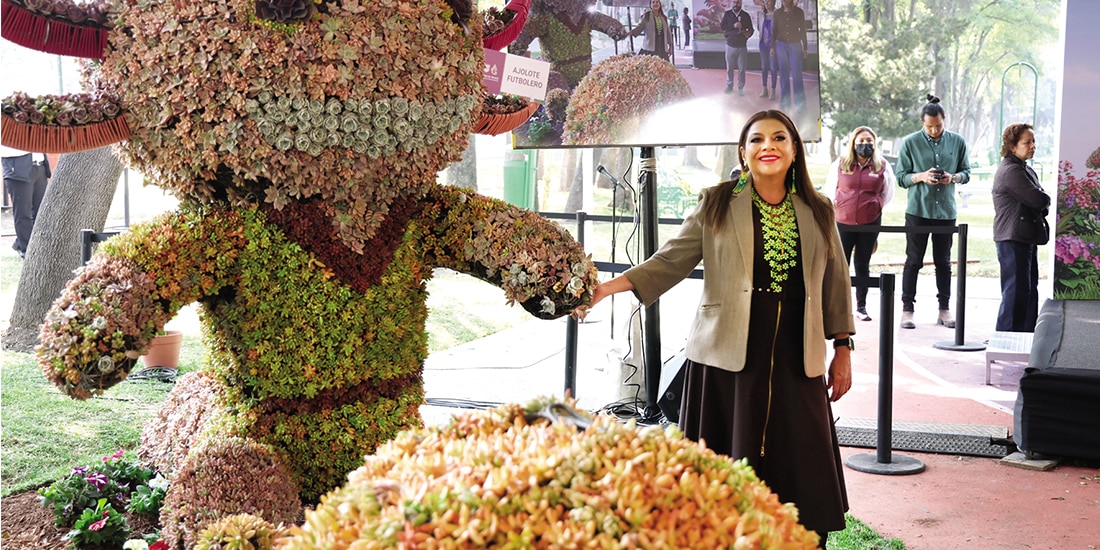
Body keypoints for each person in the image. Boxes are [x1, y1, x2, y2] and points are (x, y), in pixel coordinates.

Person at [578, 110, 853, 548]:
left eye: (780, 138)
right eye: (757, 139)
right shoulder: (717, 202)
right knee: (725, 463)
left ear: (795, 149)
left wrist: (843, 347)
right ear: (743, 153)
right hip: (726, 356)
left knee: (800, 457)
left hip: (796, 358)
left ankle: (801, 539)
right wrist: (606, 288)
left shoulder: (819, 209)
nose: (769, 146)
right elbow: (670, 261)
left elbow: (836, 283)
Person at [895, 94, 971, 329]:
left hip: (946, 212)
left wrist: (953, 177)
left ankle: (944, 310)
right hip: (918, 210)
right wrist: (921, 177)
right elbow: (901, 178)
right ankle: (907, 310)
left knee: (944, 263)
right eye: (929, 126)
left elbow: (966, 172)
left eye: (938, 125)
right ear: (922, 122)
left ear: (944, 119)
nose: (934, 130)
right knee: (913, 261)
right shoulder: (910, 143)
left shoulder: (958, 142)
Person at [824, 126, 895, 322]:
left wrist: (876, 205)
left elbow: (888, 193)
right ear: (854, 143)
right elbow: (831, 189)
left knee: (863, 263)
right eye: (861, 141)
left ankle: (861, 306)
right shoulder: (840, 163)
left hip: (869, 221)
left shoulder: (881, 165)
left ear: (875, 144)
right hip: (843, 221)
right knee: (840, 264)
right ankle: (839, 306)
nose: (865, 145)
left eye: (869, 142)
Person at [992, 123, 1050, 332]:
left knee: (1026, 291)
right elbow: (1038, 199)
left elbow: (1040, 199)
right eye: (1027, 142)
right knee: (1015, 293)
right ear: (1013, 146)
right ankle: (1006, 340)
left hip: (1023, 237)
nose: (1032, 146)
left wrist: (1043, 200)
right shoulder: (1011, 171)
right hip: (1012, 238)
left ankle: (1024, 338)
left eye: (1033, 141)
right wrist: (1044, 199)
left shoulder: (1023, 168)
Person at [2, 145, 50, 259]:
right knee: (23, 213)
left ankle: (21, 243)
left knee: (40, 212)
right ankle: (26, 250)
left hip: (39, 165)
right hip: (17, 166)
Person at [773, 0, 807, 112]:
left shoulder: (799, 12)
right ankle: (785, 102)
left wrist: (805, 48)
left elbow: (803, 30)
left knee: (797, 76)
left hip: (795, 46)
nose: (783, 1)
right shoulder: (777, 13)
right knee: (783, 75)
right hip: (780, 45)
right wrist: (772, 47)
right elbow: (774, 30)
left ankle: (800, 106)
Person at [719, 0, 753, 95]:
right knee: (730, 68)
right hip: (730, 45)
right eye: (734, 2)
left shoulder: (746, 15)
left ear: (741, 3)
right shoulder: (727, 14)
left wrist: (748, 34)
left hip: (742, 46)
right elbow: (722, 26)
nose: (735, 4)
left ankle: (741, 88)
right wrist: (733, 25)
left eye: (737, 3)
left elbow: (751, 29)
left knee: (742, 69)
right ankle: (729, 86)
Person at [754, 0, 779, 99]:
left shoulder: (778, 14)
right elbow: (758, 27)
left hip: (773, 46)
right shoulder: (761, 14)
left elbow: (779, 30)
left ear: (774, 2)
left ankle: (773, 90)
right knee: (764, 68)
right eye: (766, 1)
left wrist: (774, 45)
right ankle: (764, 89)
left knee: (773, 68)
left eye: (769, 1)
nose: (767, 3)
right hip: (763, 45)